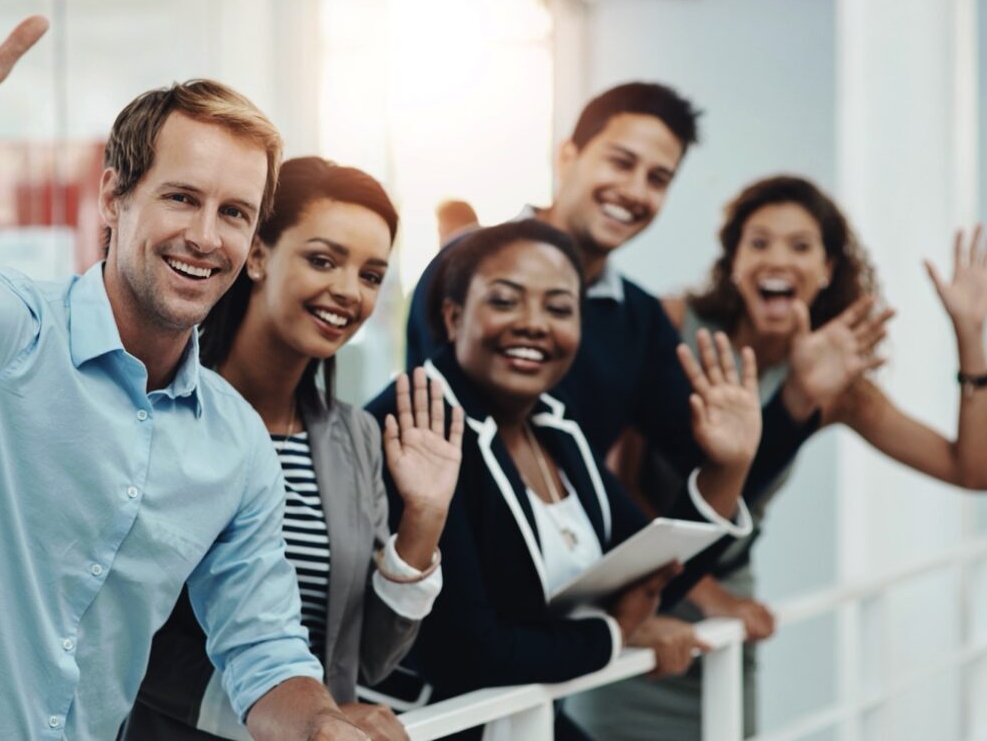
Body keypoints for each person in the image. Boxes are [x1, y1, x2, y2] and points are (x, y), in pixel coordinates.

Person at [0, 0, 370, 740]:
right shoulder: (4, 331)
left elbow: (265, 649)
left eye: (235, 212)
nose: (206, 237)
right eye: (182, 197)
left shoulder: (235, 445)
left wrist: (321, 727)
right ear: (113, 197)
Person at [582, 175, 987, 741]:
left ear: (827, 269)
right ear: (733, 261)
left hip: (727, 612)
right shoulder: (673, 325)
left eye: (800, 246)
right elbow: (617, 482)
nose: (778, 259)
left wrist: (971, 336)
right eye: (759, 242)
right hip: (638, 601)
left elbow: (971, 469)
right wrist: (702, 593)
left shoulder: (836, 385)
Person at [404, 84, 834, 587]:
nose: (634, 191)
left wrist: (795, 402)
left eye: (657, 178)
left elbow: (719, 468)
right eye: (620, 162)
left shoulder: (639, 317)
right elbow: (465, 450)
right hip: (455, 592)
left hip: (571, 601)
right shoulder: (465, 268)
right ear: (568, 157)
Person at [367, 220, 761, 741]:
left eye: (558, 308)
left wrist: (727, 468)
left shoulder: (554, 423)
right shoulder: (415, 426)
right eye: (506, 301)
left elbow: (647, 572)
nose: (534, 323)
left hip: (524, 718)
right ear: (453, 315)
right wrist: (613, 632)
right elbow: (468, 652)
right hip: (431, 726)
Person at [121, 157, 464, 741]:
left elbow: (366, 657)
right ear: (257, 255)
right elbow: (120, 630)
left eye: (371, 275)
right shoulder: (163, 408)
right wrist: (307, 722)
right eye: (323, 260)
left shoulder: (352, 438)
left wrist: (424, 521)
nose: (348, 292)